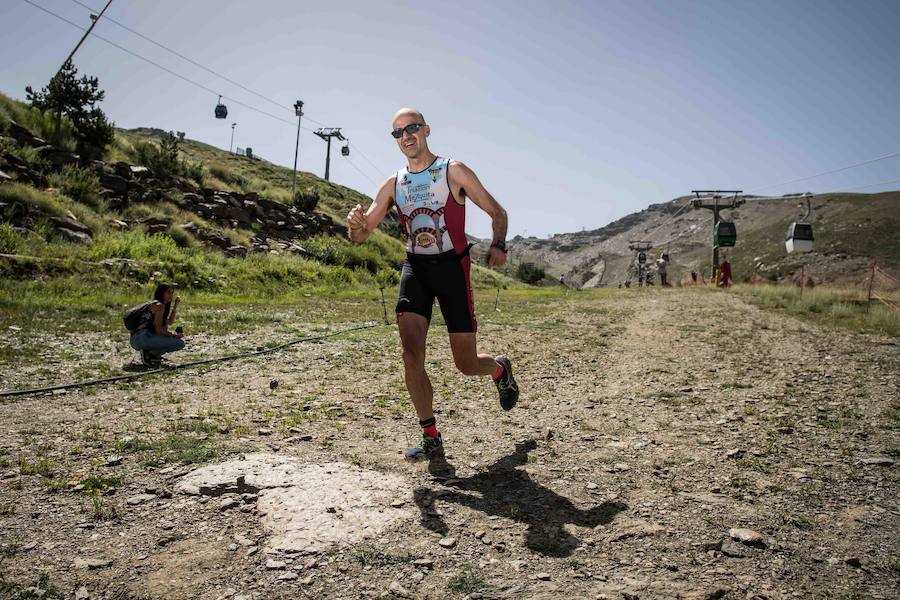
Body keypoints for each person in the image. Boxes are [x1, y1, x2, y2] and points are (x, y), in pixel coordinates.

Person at [346, 108, 519, 460]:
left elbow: (497, 211)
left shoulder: (453, 171)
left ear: (426, 130)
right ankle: (431, 436)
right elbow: (362, 236)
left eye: (411, 128)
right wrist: (354, 223)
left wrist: (499, 244)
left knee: (466, 364)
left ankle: (499, 368)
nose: (406, 136)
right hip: (417, 270)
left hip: (453, 269)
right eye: (397, 133)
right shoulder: (393, 184)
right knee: (411, 354)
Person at [130, 283, 185, 366]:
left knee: (166, 330)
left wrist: (175, 306)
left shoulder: (158, 305)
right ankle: (149, 352)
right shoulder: (159, 306)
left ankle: (152, 355)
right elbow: (159, 331)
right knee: (180, 343)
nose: (171, 295)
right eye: (168, 292)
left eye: (172, 293)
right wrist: (174, 335)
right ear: (161, 293)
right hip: (142, 338)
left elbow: (169, 322)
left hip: (136, 338)